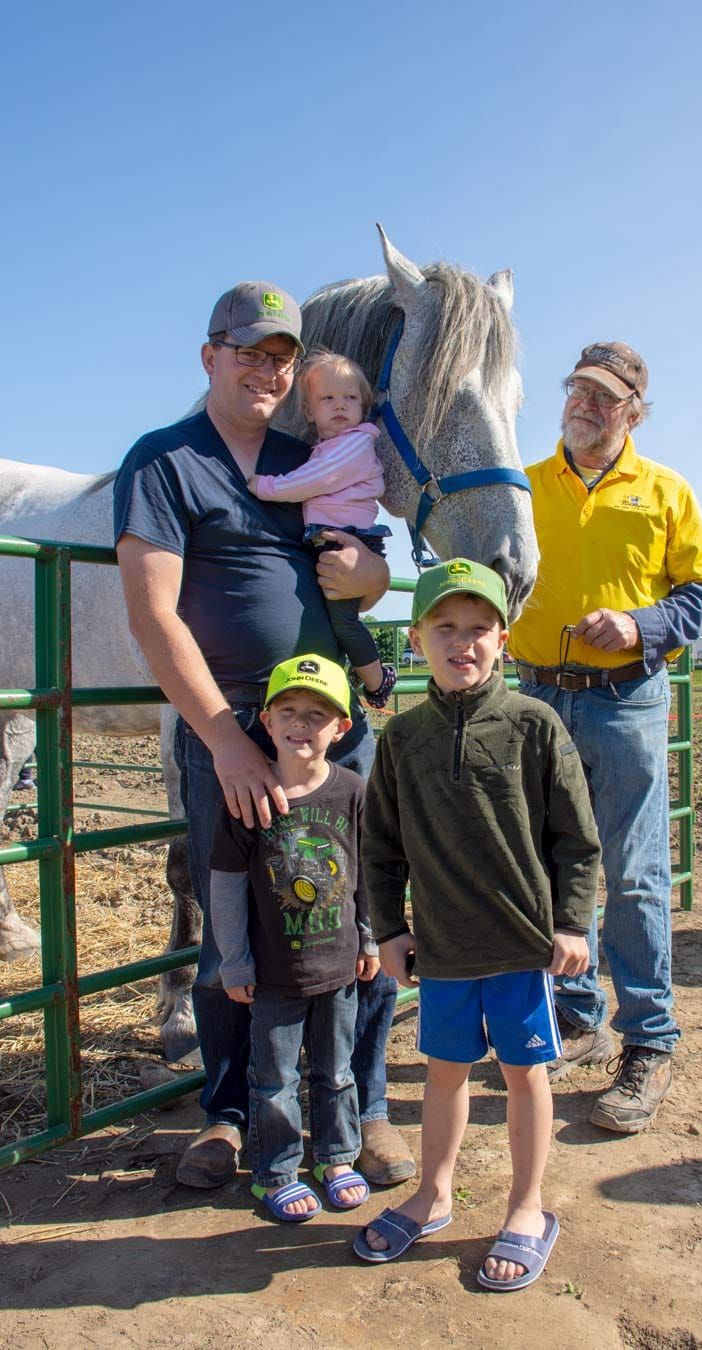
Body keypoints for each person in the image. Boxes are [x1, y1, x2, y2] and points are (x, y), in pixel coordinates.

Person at [114, 280, 415, 1190]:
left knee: (359, 917)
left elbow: (362, 546)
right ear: (210, 357)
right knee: (233, 925)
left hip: (338, 732)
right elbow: (154, 615)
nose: (267, 371)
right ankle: (229, 1111)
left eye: (281, 358)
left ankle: (363, 1111)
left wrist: (371, 575)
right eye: (248, 353)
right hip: (237, 730)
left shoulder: (310, 452)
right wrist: (225, 741)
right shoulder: (166, 462)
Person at [358, 560, 601, 1291]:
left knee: (525, 1074)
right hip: (443, 946)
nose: (461, 642)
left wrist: (571, 922)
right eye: (445, 628)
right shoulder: (401, 738)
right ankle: (433, 1194)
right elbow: (380, 845)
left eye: (478, 629)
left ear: (502, 638)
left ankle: (527, 1208)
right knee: (443, 1073)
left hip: (522, 944)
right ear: (416, 638)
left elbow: (575, 838)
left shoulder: (535, 723)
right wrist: (390, 931)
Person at [508, 342, 702, 1133]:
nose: (585, 406)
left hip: (626, 700)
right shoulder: (522, 485)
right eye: (577, 390)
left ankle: (649, 1042)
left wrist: (640, 625)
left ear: (634, 412)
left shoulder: (666, 490)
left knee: (633, 875)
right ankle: (576, 1018)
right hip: (534, 697)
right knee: (546, 866)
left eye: (605, 398)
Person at [210, 654, 376, 1220]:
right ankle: (274, 1171)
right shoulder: (246, 796)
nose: (301, 723)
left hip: (339, 967)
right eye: (289, 711)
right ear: (266, 719)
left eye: (317, 713)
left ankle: (337, 1156)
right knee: (275, 1079)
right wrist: (233, 962)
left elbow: (368, 872)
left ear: (342, 727)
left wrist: (371, 939)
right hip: (272, 974)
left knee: (336, 1071)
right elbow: (227, 885)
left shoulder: (353, 792)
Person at [247, 351, 396, 709]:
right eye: (328, 399)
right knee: (332, 618)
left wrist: (264, 486)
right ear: (310, 412)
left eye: (350, 398)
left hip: (347, 540)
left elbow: (313, 481)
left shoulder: (355, 444)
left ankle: (378, 681)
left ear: (363, 406)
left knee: (343, 622)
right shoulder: (329, 447)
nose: (340, 406)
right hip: (331, 537)